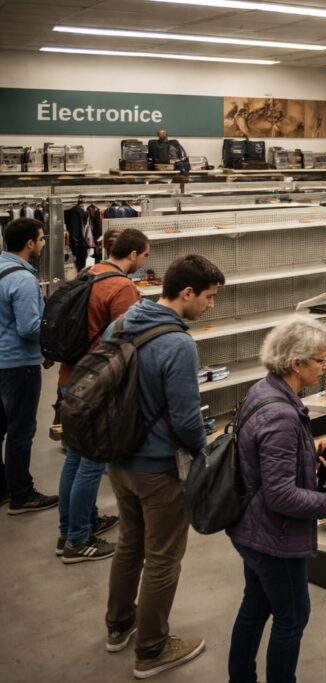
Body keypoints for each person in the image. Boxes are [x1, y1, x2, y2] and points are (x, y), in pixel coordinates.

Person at [104, 254, 224, 678]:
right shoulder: (177, 344)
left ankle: (118, 625)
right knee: (163, 557)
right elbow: (187, 417)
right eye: (208, 298)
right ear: (187, 292)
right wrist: (202, 455)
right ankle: (152, 649)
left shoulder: (122, 324)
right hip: (157, 468)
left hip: (117, 459)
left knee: (129, 544)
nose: (210, 305)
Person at [227, 317, 326, 683]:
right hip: (274, 538)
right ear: (297, 364)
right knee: (291, 618)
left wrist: (307, 450)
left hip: (249, 528)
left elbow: (263, 462)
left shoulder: (263, 391)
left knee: (255, 606)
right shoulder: (282, 416)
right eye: (320, 361)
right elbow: (280, 495)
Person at [56, 229, 150, 564]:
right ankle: (78, 540)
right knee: (92, 464)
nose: (144, 263)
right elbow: (128, 341)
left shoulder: (89, 273)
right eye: (145, 256)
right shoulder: (122, 286)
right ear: (135, 254)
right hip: (97, 387)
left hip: (73, 378)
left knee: (75, 458)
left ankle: (70, 528)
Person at [0, 217, 57, 514]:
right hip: (18, 364)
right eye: (42, 238)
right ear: (29, 243)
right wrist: (51, 341)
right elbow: (28, 327)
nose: (44, 243)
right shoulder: (22, 279)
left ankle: (3, 486)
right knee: (21, 430)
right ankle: (22, 494)